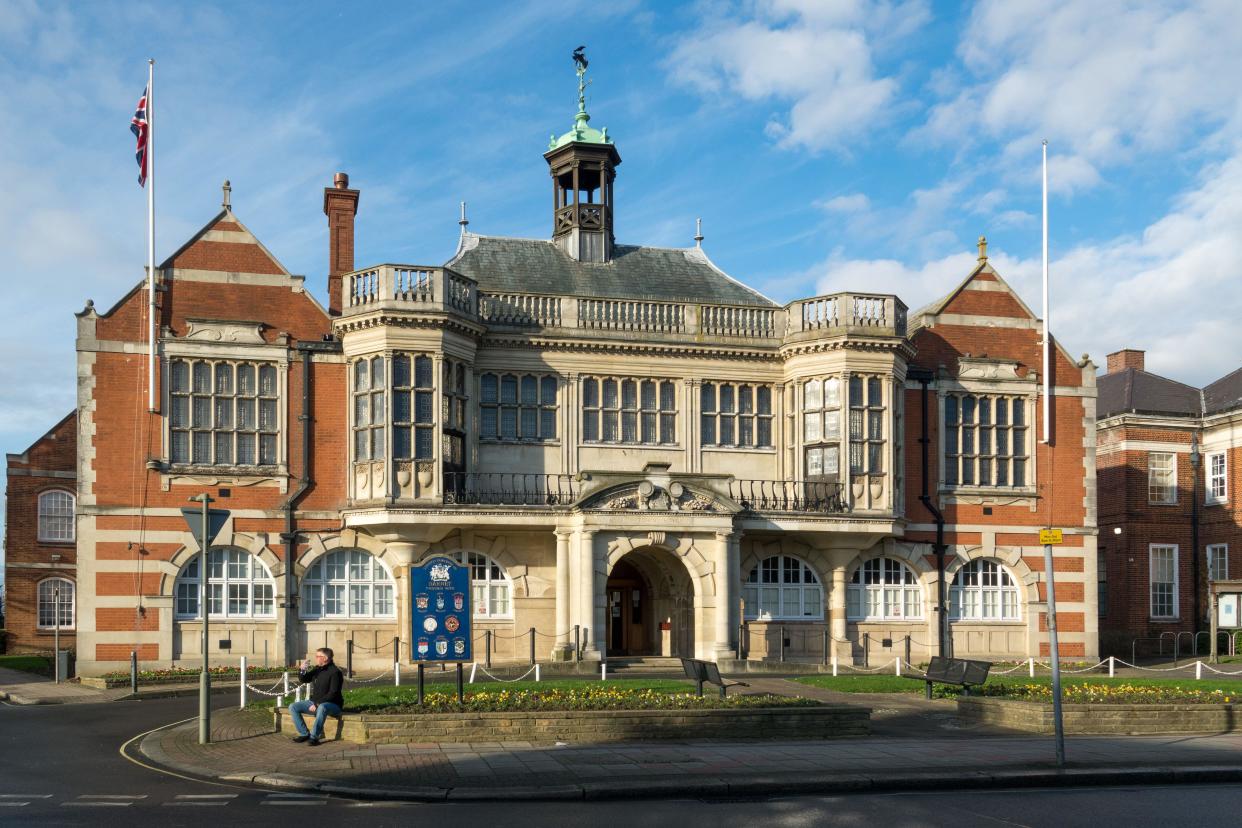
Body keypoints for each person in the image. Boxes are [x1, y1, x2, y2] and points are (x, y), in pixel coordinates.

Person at [288, 647, 344, 745]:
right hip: (315, 702)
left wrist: (317, 704)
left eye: (318, 656)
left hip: (333, 705)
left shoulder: (335, 672)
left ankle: (314, 737)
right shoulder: (318, 669)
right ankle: (304, 734)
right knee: (293, 706)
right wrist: (302, 670)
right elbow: (304, 679)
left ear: (325, 658)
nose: (316, 658)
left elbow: (333, 693)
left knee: (322, 707)